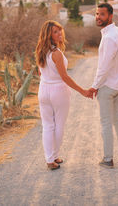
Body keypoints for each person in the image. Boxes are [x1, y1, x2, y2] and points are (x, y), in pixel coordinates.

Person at [35, 20, 92, 170]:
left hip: (43, 90)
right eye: (55, 31)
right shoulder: (56, 54)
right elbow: (65, 77)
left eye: (60, 30)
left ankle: (51, 158)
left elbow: (40, 72)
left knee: (47, 126)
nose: (60, 33)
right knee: (58, 125)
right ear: (49, 35)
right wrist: (83, 91)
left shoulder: (40, 50)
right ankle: (52, 157)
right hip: (58, 91)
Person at [88, 3, 118, 168]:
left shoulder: (109, 37)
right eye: (97, 14)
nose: (98, 17)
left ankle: (107, 159)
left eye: (102, 14)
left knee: (106, 122)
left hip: (108, 86)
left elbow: (104, 66)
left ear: (110, 16)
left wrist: (94, 86)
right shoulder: (117, 31)